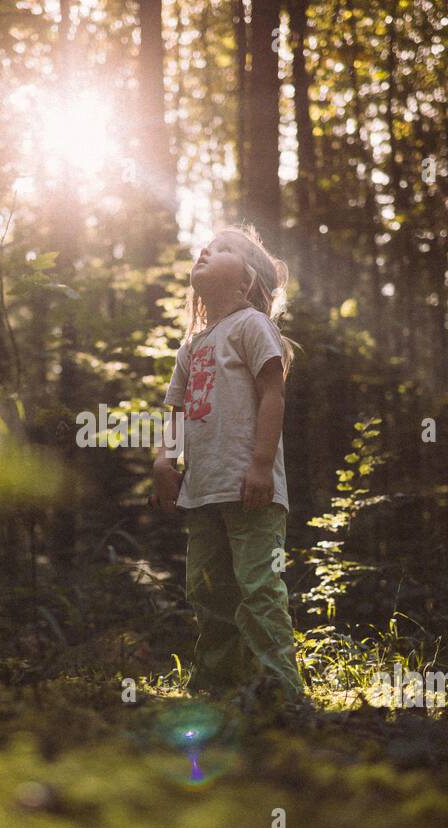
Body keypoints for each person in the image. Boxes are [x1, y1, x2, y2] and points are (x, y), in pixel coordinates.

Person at [150, 224, 308, 710]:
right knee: (207, 591)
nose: (207, 250)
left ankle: (281, 690)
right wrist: (162, 459)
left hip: (250, 488)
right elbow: (175, 412)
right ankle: (218, 687)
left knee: (259, 588)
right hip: (202, 491)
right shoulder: (191, 347)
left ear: (247, 281)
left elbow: (273, 395)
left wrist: (262, 465)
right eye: (207, 246)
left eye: (224, 250)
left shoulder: (251, 326)